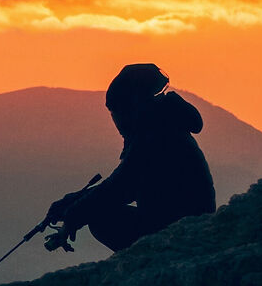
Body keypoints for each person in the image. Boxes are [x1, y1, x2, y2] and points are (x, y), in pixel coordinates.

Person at [43, 64, 216, 252]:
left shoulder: (154, 136)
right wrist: (74, 201)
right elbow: (126, 185)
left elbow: (120, 187)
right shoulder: (164, 126)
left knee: (101, 218)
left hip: (180, 230)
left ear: (133, 109)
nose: (116, 122)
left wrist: (73, 214)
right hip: (183, 222)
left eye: (116, 113)